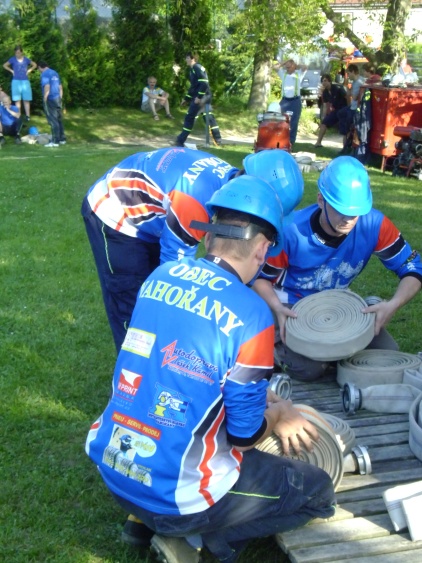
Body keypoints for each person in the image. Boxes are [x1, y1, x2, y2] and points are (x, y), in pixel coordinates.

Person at [85, 174, 336, 563]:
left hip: (115, 465)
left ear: (208, 237)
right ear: (262, 249)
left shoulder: (158, 277)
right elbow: (244, 437)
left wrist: (260, 395)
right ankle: (195, 540)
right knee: (318, 491)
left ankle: (141, 522)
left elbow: (182, 369)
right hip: (177, 495)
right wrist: (281, 414)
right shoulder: (253, 315)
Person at [81, 147, 304, 352]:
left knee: (153, 294)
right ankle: (135, 368)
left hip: (156, 213)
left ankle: (157, 351)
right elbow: (173, 278)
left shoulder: (233, 186)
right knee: (132, 298)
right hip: (115, 211)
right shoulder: (193, 202)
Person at [254, 156, 422, 382]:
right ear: (321, 200)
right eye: (340, 210)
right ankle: (271, 344)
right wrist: (276, 308)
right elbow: (258, 278)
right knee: (310, 369)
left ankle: (352, 326)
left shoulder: (374, 224)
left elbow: (413, 267)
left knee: (388, 354)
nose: (349, 219)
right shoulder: (291, 231)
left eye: (356, 212)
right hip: (291, 308)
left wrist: (393, 304)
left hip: (338, 307)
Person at [175, 52, 222, 147]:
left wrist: (199, 97)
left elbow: (204, 83)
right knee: (209, 117)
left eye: (187, 58)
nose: (186, 60)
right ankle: (218, 140)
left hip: (202, 98)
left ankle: (180, 141)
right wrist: (186, 99)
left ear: (192, 59)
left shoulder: (196, 67)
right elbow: (194, 87)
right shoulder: (193, 69)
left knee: (190, 117)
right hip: (206, 96)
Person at [273, 58, 307, 146]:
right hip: (285, 100)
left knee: (294, 122)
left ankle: (290, 142)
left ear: (293, 66)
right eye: (287, 66)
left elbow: (305, 67)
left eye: (290, 66)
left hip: (295, 101)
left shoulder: (298, 74)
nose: (287, 68)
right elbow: (275, 67)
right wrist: (284, 63)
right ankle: (279, 139)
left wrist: (296, 64)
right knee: (280, 119)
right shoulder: (283, 74)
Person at [2, 45, 37, 121]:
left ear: (21, 52)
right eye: (16, 53)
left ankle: (28, 116)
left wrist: (29, 70)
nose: (17, 54)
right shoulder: (12, 59)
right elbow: (4, 65)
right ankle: (19, 115)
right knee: (17, 99)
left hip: (25, 81)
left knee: (26, 99)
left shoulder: (26, 59)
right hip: (16, 81)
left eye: (18, 53)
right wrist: (11, 71)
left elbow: (34, 64)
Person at [336, 64, 365, 154]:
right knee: (340, 113)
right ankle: (345, 137)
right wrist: (347, 87)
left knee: (348, 126)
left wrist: (350, 91)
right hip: (352, 106)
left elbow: (355, 97)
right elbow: (349, 94)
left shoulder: (359, 82)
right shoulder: (356, 81)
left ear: (353, 72)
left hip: (355, 108)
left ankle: (346, 144)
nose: (348, 76)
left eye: (348, 73)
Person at [38, 61, 66, 148]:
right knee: (59, 119)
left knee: (53, 120)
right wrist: (60, 98)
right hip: (57, 98)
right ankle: (62, 139)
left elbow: (47, 86)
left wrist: (45, 98)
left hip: (50, 99)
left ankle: (55, 141)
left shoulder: (44, 74)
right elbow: (60, 87)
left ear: (40, 67)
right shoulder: (55, 73)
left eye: (38, 69)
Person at [314, 74, 347, 148]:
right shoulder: (325, 92)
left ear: (329, 81)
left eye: (325, 81)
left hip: (343, 109)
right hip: (336, 110)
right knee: (324, 123)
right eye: (322, 81)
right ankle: (318, 143)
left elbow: (347, 96)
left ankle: (345, 147)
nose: (324, 83)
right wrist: (324, 118)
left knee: (344, 128)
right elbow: (326, 106)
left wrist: (349, 108)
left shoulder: (337, 88)